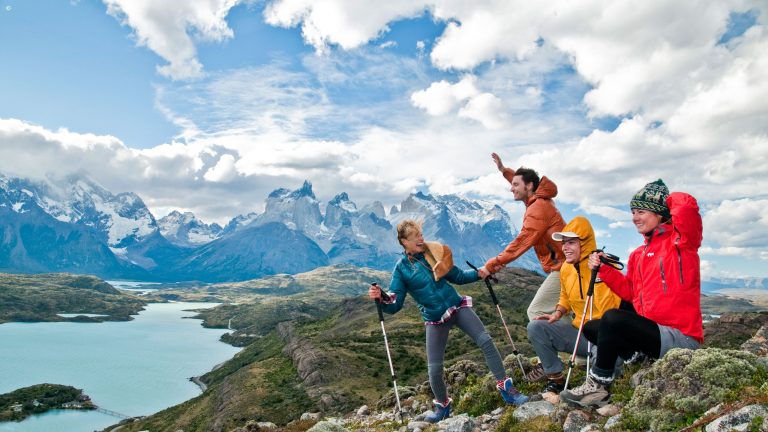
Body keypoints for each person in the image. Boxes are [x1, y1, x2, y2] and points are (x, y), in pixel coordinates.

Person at [560, 179, 703, 408]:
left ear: (660, 213)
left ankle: (598, 386)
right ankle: (636, 357)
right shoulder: (638, 254)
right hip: (652, 334)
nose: (635, 217)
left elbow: (686, 208)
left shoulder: (681, 243)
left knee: (612, 318)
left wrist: (665, 200)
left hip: (680, 337)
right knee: (592, 327)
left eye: (641, 211)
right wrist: (604, 270)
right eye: (633, 212)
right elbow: (630, 293)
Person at [370, 220, 528, 422]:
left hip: (456, 306)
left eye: (421, 234)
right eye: (415, 236)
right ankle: (443, 407)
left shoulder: (433, 252)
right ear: (404, 242)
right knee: (434, 370)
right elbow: (395, 303)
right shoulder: (401, 269)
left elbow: (459, 276)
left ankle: (507, 390)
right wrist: (381, 297)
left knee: (486, 341)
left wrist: (480, 273)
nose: (421, 238)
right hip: (435, 319)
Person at [526, 216, 622, 393]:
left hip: (605, 338)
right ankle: (556, 379)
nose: (564, 248)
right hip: (580, 335)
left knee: (610, 365)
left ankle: (601, 383)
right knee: (536, 327)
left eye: (571, 243)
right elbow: (565, 296)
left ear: (584, 244)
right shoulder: (566, 268)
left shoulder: (606, 268)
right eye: (564, 243)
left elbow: (613, 309)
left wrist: (600, 274)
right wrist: (558, 311)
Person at [485, 153, 567, 320]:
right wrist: (503, 170)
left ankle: (568, 344)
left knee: (535, 312)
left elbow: (522, 241)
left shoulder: (537, 208)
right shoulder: (537, 199)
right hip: (566, 265)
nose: (511, 188)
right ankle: (575, 344)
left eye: (515, 184)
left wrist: (493, 264)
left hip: (564, 268)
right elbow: (521, 184)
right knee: (562, 316)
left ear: (529, 186)